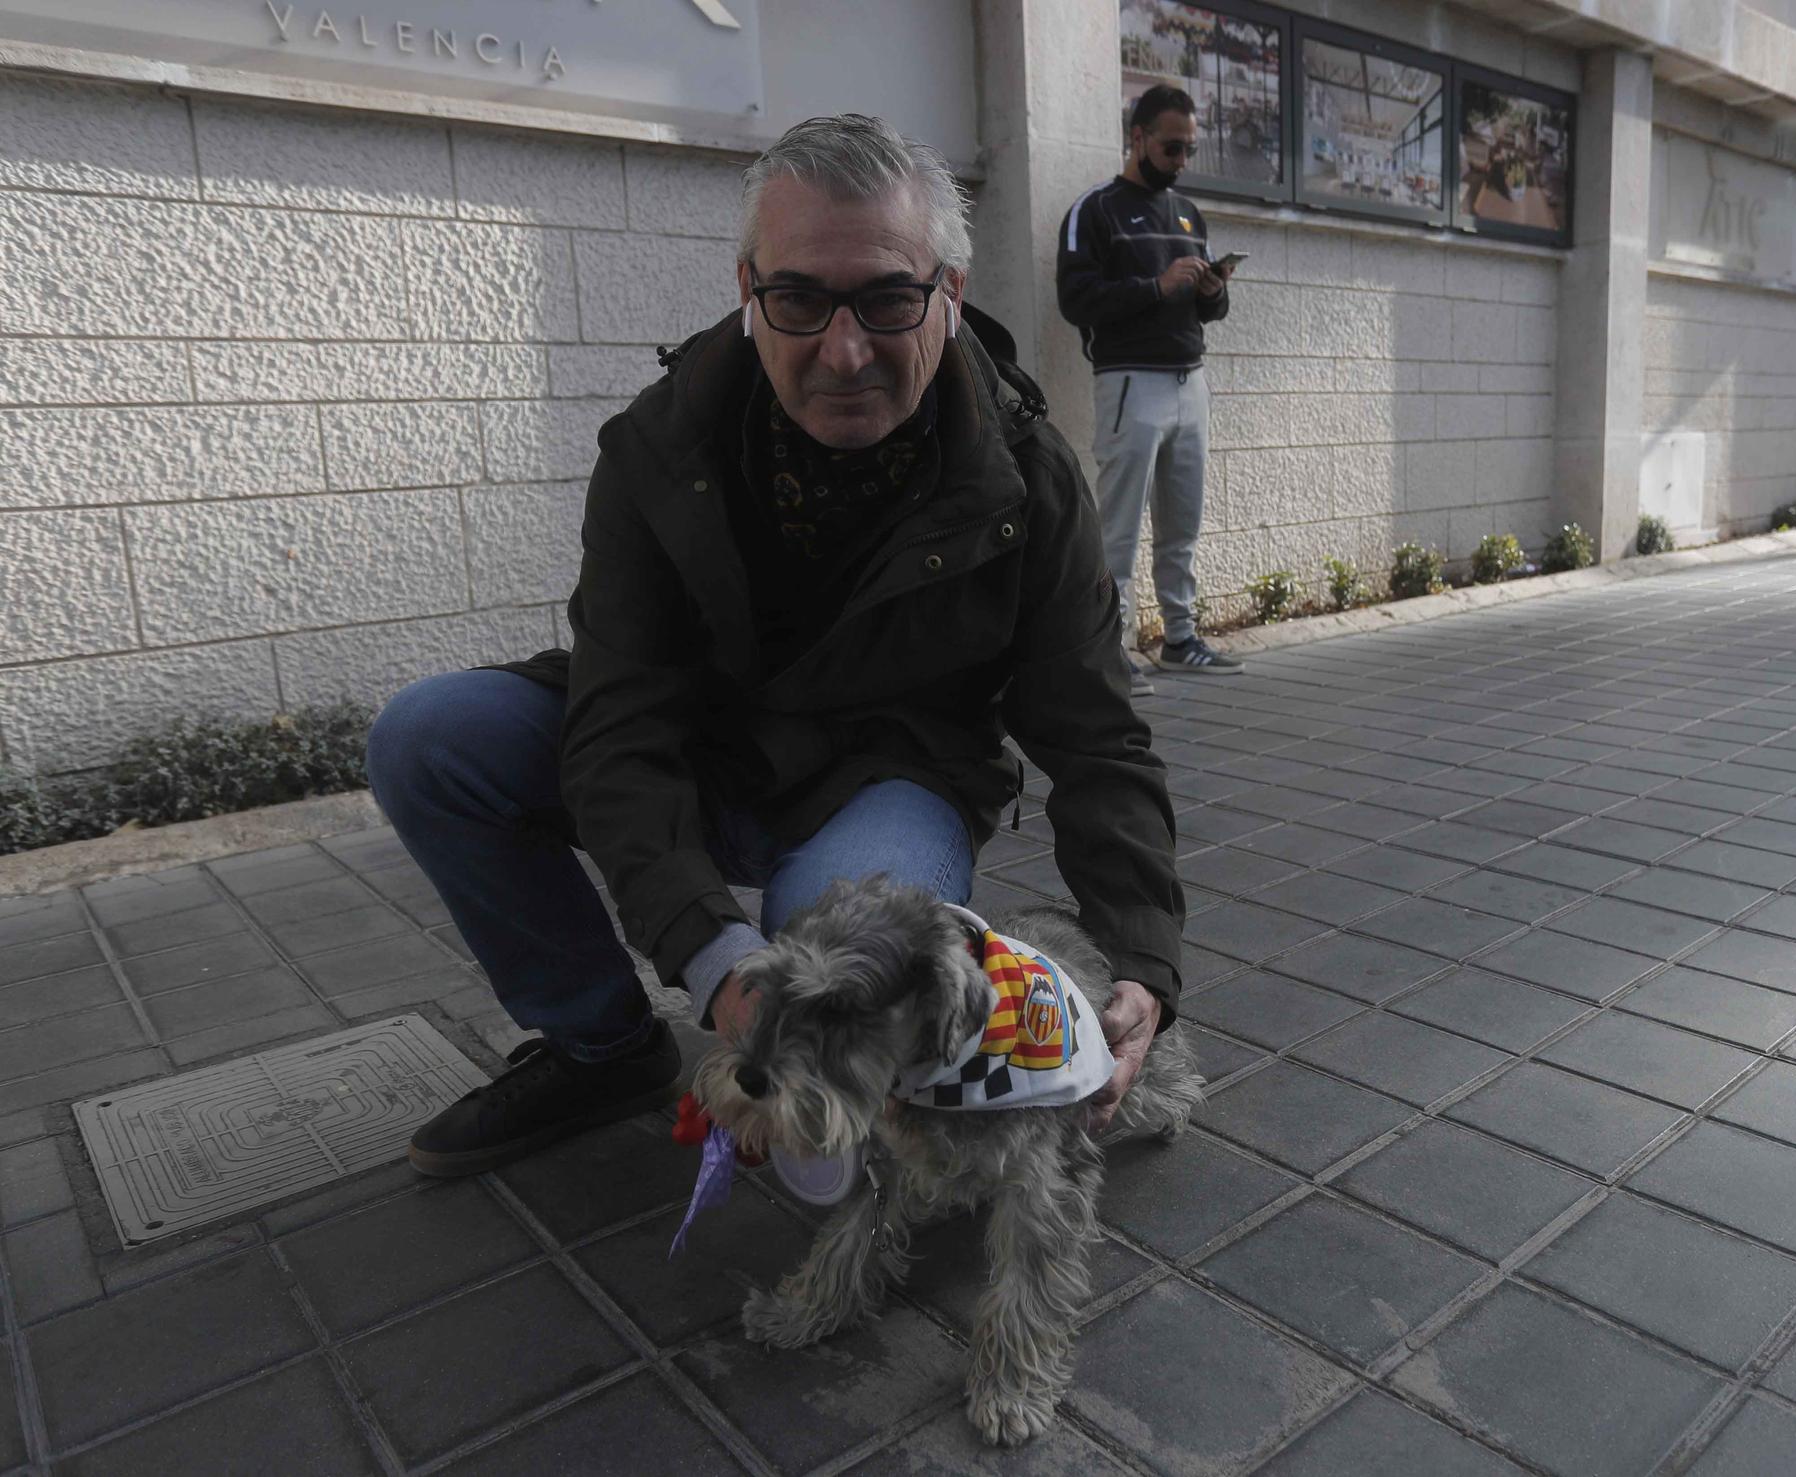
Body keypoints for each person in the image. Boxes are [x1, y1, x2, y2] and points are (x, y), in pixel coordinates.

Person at [366, 115, 1184, 1177]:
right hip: (706, 758)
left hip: (887, 780)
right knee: (431, 737)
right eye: (797, 299)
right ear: (747, 288)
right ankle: (602, 1046)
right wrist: (712, 962)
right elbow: (619, 720)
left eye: (888, 298)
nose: (843, 353)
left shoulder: (1025, 478)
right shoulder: (659, 448)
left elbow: (1095, 736)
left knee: (822, 1068)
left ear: (950, 289)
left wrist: (1137, 960)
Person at [1058, 83, 1243, 697]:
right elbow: (1075, 300)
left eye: (1189, 149)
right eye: (1171, 148)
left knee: (1182, 522)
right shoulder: (1096, 211)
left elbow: (1210, 309)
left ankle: (1180, 639)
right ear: (1137, 138)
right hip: (1130, 383)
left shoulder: (1189, 213)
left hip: (1191, 381)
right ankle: (1112, 651)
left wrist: (1213, 291)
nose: (1181, 161)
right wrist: (1157, 288)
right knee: (1118, 527)